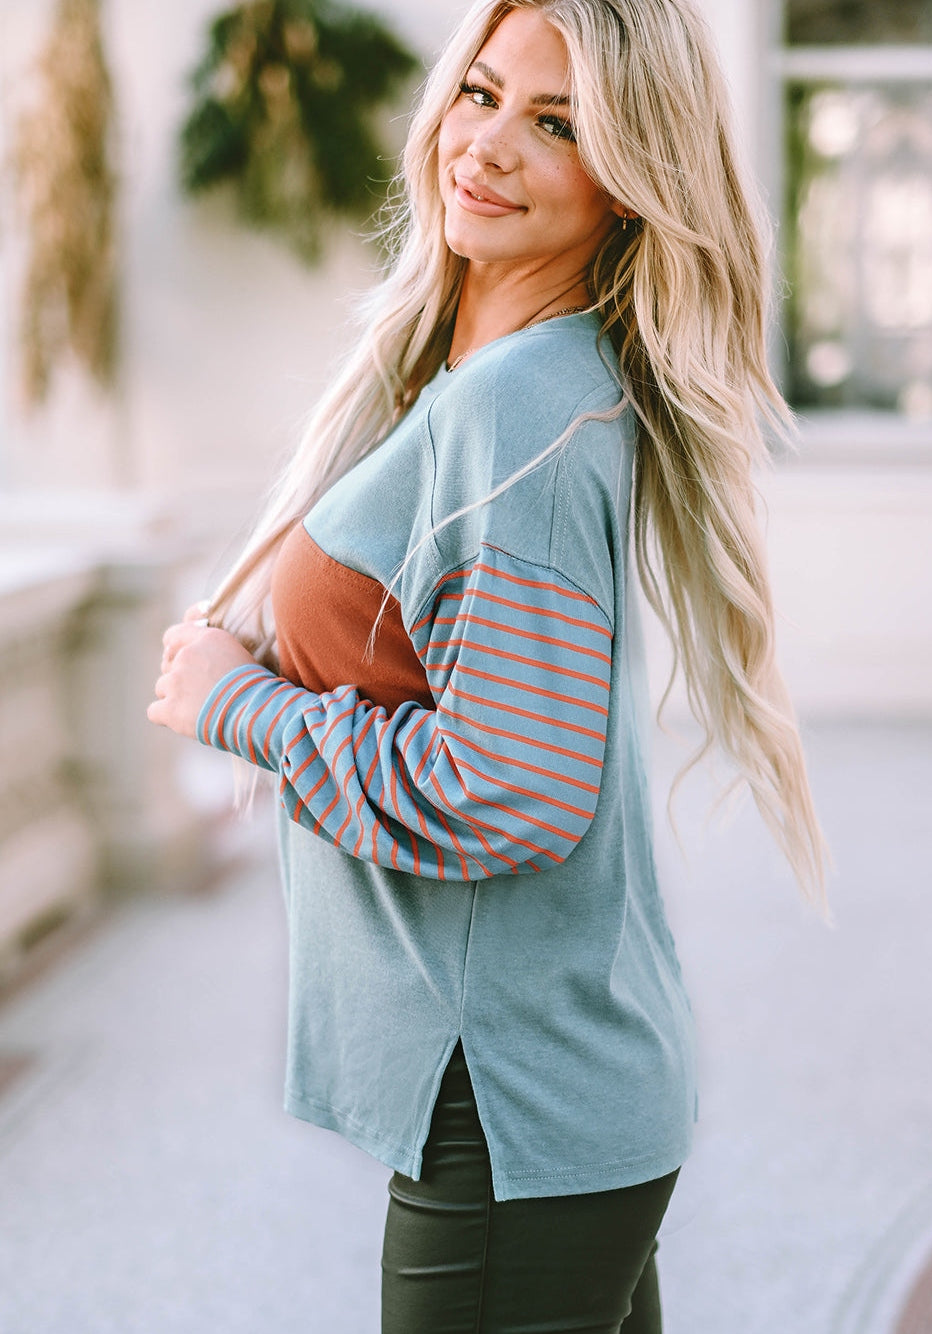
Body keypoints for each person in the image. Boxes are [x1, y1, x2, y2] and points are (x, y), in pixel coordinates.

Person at [149, 0, 827, 1329]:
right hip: (546, 1100)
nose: (488, 147)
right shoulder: (477, 380)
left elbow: (508, 786)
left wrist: (246, 708)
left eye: (556, 125)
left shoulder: (524, 411)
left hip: (511, 1113)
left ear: (629, 188)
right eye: (480, 92)